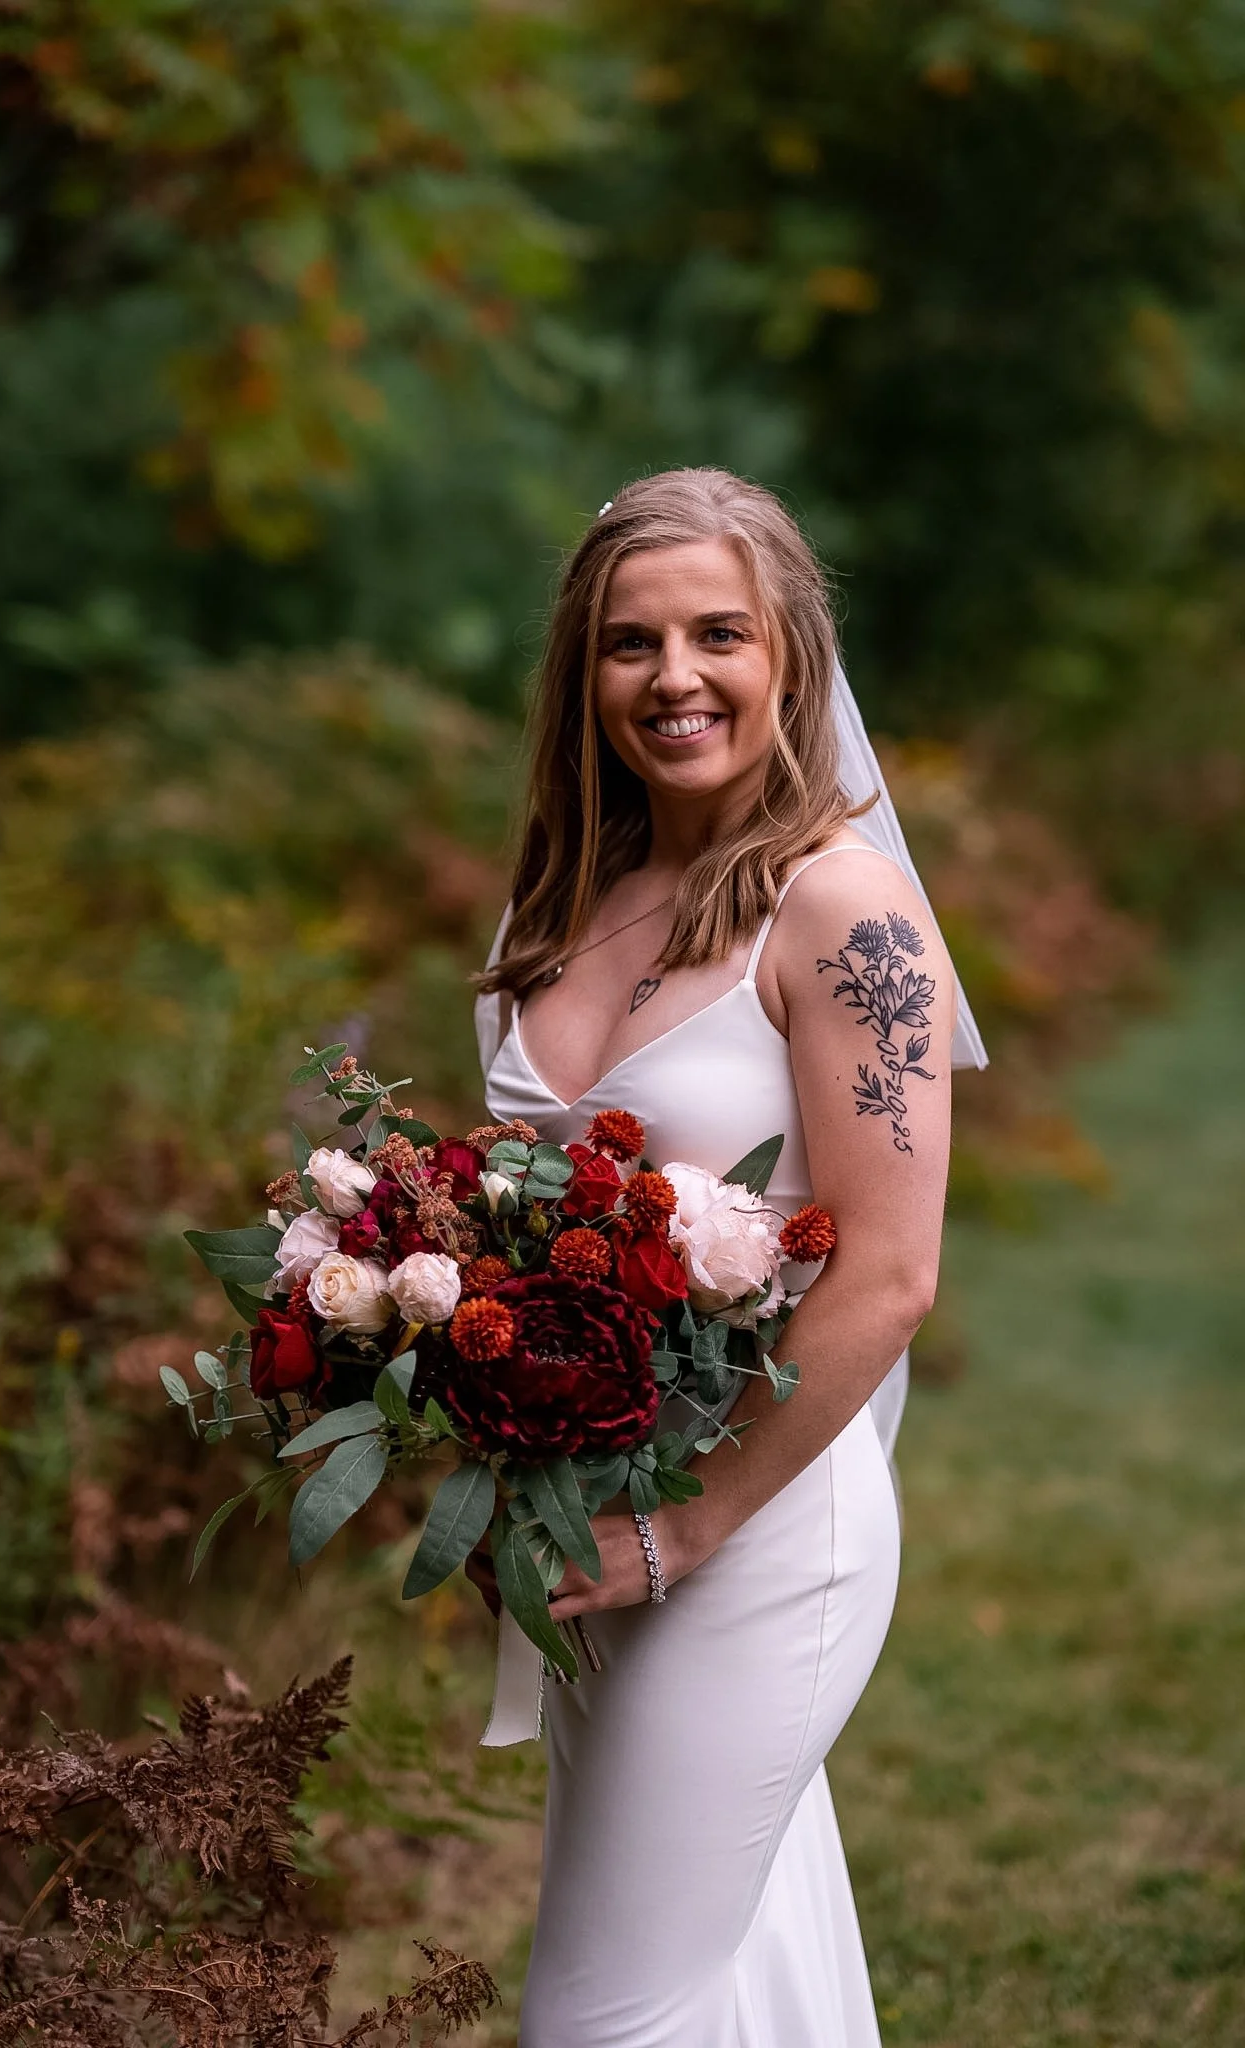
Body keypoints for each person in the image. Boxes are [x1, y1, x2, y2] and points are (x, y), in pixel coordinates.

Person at [469, 468, 987, 2048]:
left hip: (757, 1521)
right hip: (591, 1515)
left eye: (717, 635)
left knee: (607, 2013)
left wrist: (689, 1526)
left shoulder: (846, 911)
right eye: (631, 643)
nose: (674, 677)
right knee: (738, 1964)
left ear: (788, 660)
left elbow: (891, 1275)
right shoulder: (563, 902)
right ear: (585, 672)